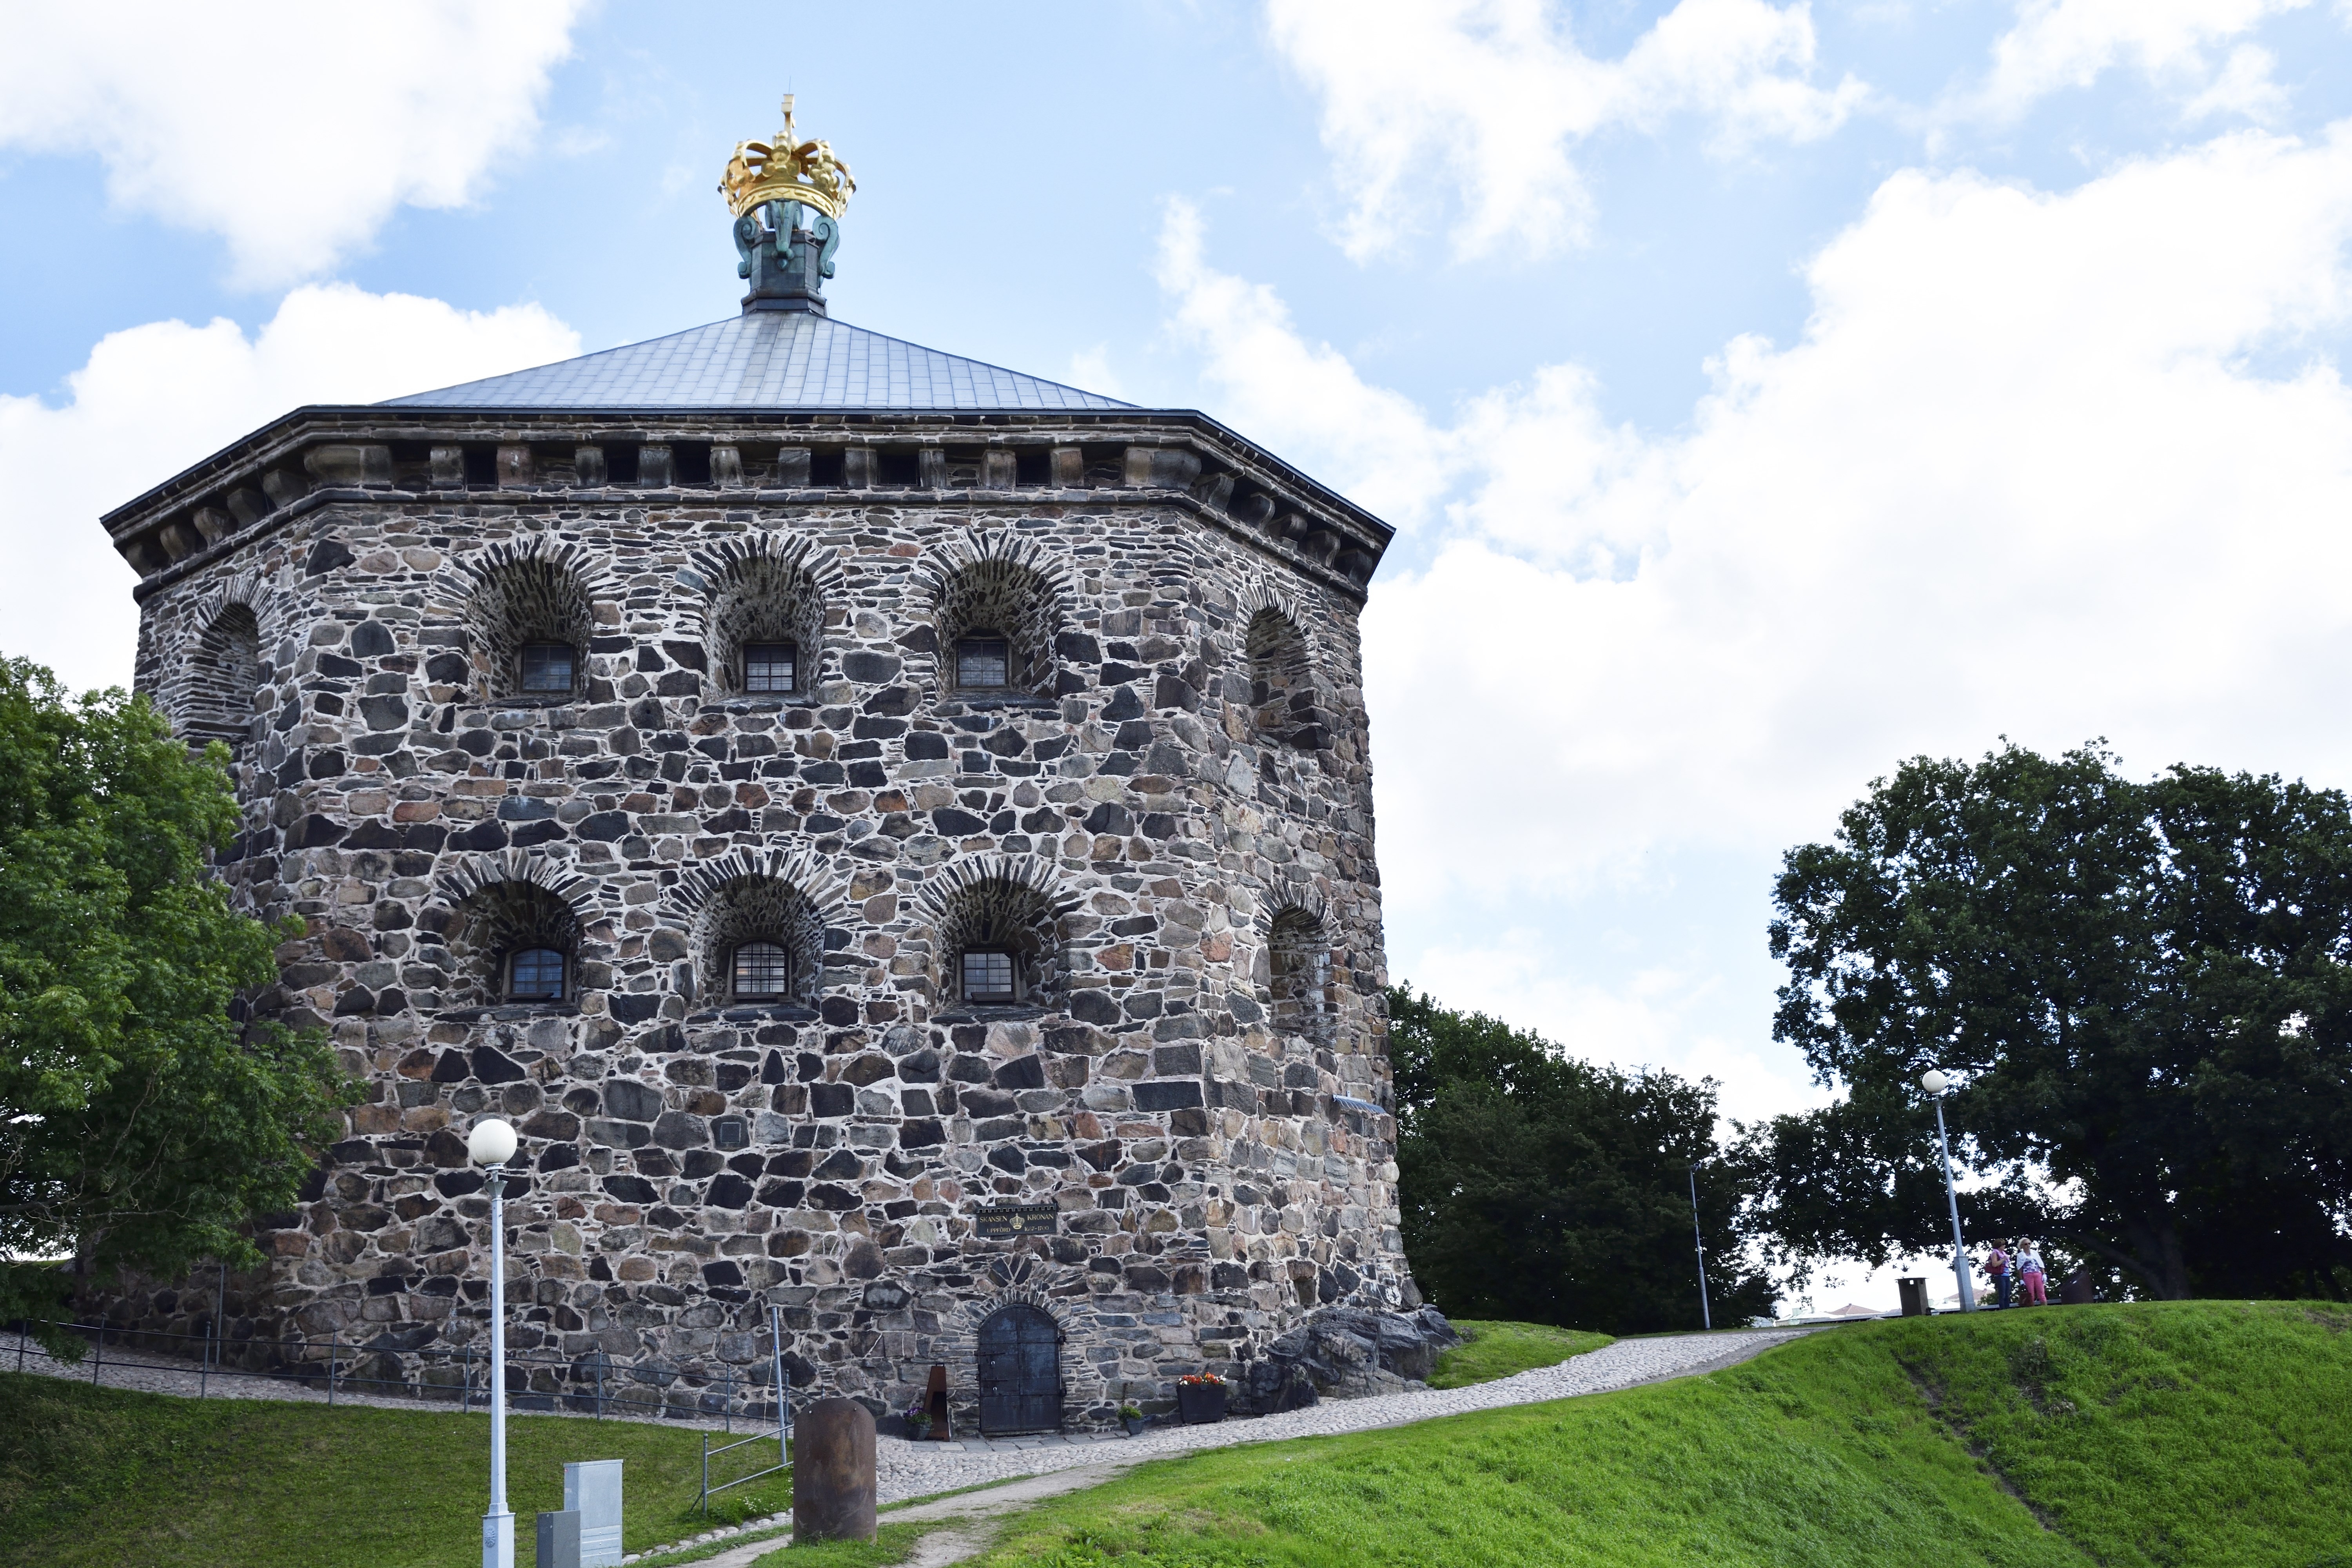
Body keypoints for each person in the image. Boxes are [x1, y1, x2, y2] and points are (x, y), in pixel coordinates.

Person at [2016, 1242, 2048, 1306]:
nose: (2028, 1245)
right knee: (2031, 1294)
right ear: (2022, 1246)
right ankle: (2032, 1308)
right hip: (2027, 1274)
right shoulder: (2020, 1255)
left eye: (2029, 1244)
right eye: (2026, 1244)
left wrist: (2044, 1274)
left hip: (2038, 1273)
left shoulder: (2035, 1253)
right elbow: (2020, 1268)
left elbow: (2040, 1263)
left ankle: (2045, 1307)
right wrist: (2021, 1279)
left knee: (2041, 1292)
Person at [1984, 1240, 2012, 1308]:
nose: (2005, 1246)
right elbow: (1995, 1264)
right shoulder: (1995, 1253)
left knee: (2007, 1294)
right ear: (1999, 1246)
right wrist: (2003, 1259)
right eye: (2003, 1245)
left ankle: (2007, 1308)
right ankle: (2002, 1308)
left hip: (2006, 1275)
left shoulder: (2004, 1253)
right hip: (2000, 1275)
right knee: (2002, 1294)